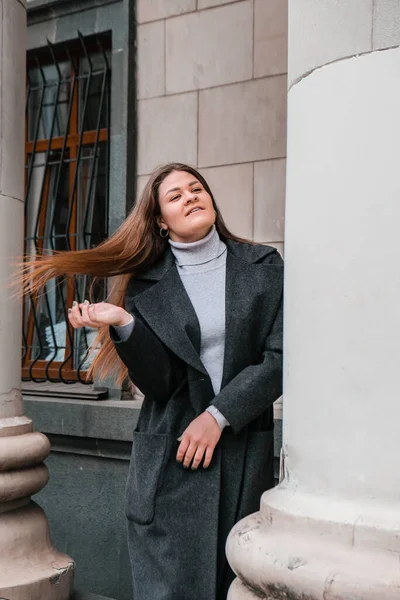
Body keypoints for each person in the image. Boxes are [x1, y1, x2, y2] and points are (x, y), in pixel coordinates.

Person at [23, 162, 284, 600]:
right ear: (162, 222)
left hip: (241, 455)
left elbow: (279, 359)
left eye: (196, 188)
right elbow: (161, 384)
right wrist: (123, 322)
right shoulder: (147, 287)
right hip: (171, 460)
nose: (191, 197)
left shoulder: (262, 265)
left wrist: (218, 416)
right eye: (176, 196)